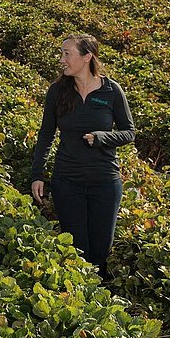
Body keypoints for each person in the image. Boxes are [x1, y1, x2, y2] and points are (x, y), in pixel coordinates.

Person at [29, 33, 134, 281]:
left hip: (105, 182)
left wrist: (102, 138)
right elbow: (45, 135)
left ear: (87, 57)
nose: (61, 60)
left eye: (67, 54)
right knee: (76, 249)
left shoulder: (111, 91)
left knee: (100, 249)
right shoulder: (57, 91)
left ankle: (97, 298)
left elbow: (129, 132)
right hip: (68, 181)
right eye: (62, 53)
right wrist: (37, 175)